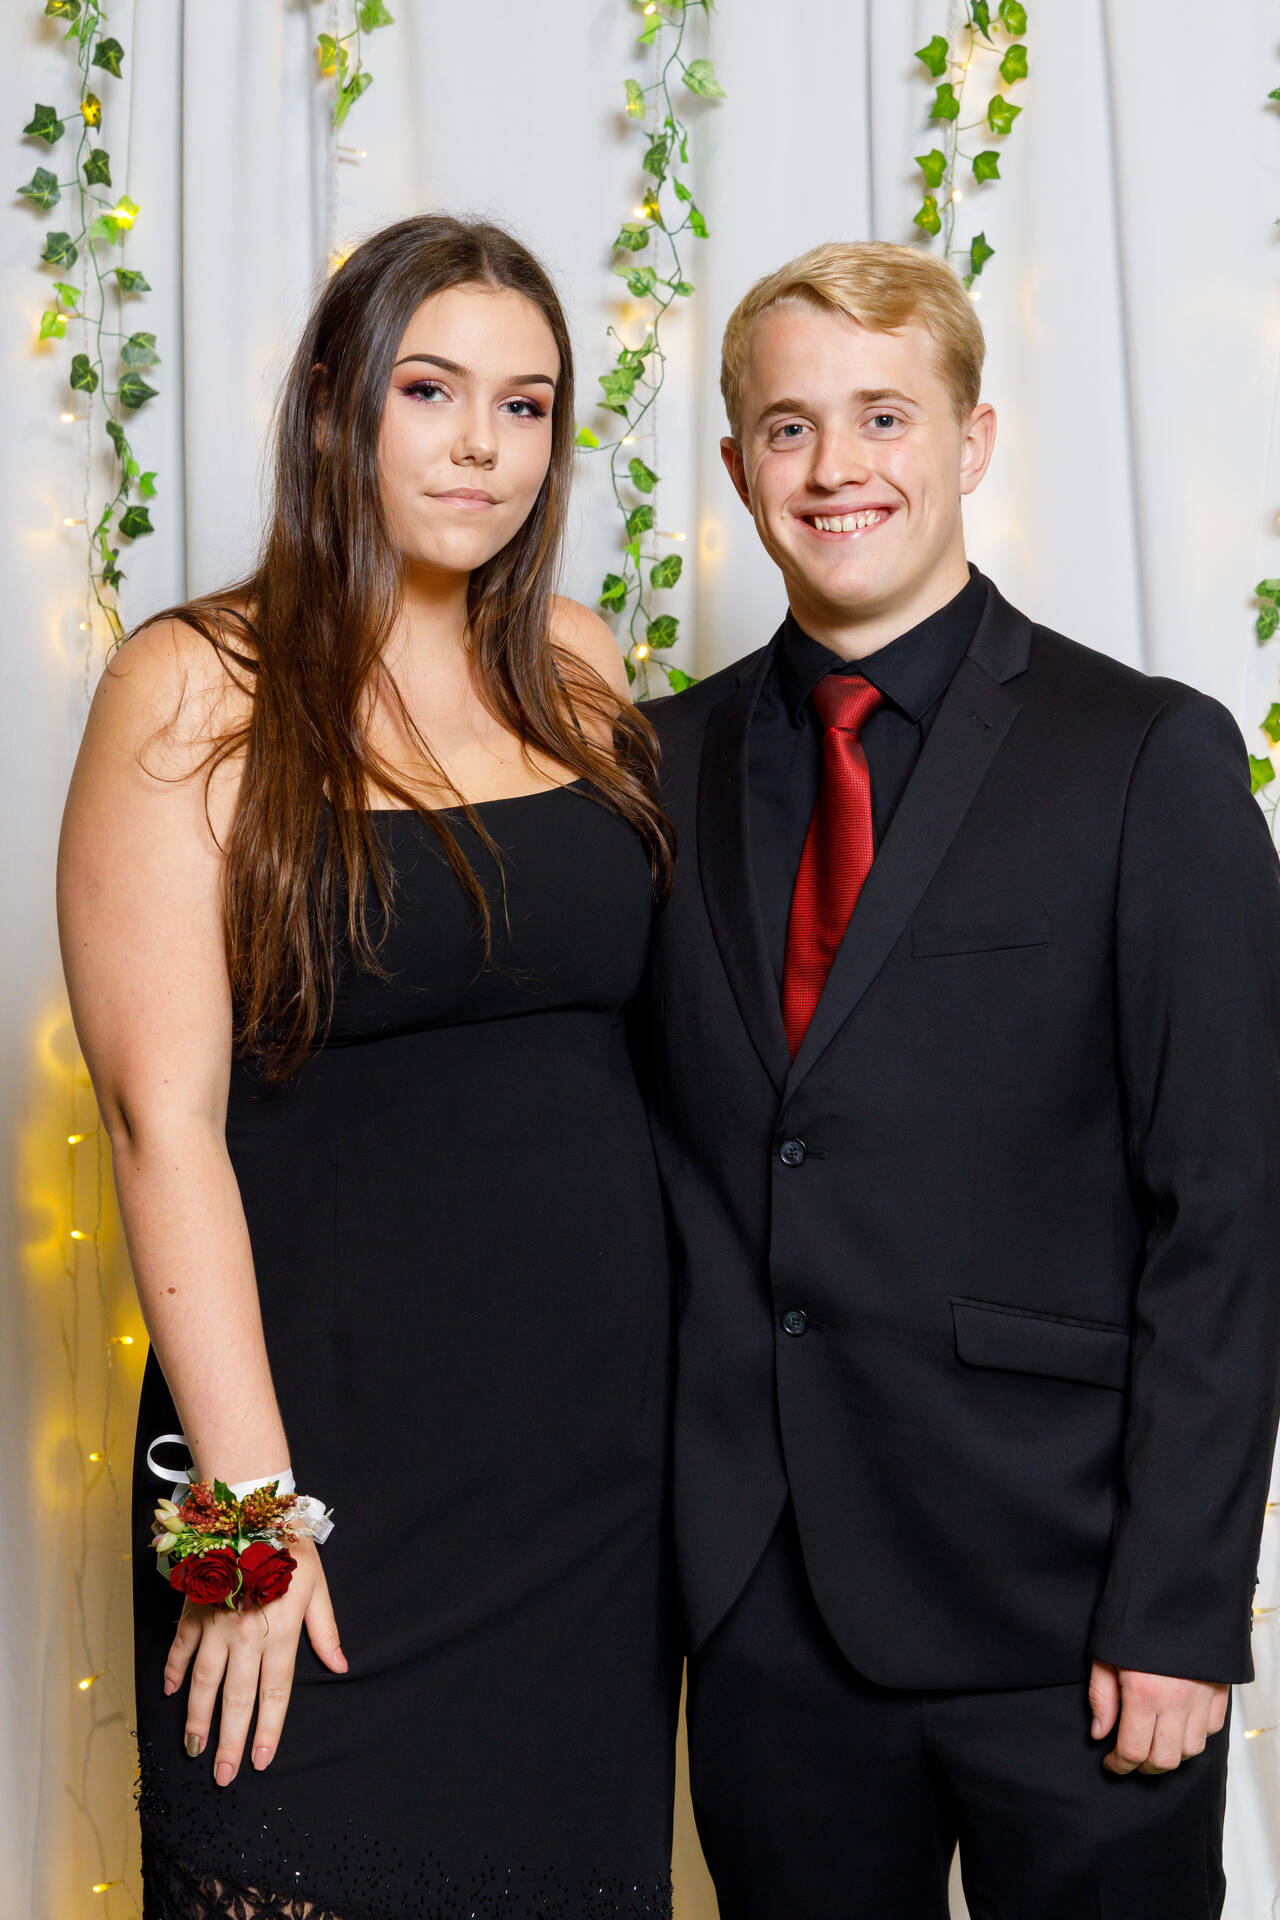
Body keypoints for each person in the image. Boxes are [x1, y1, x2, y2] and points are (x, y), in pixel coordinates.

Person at [641, 240, 1280, 1918]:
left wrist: (1180, 1606)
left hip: (1070, 1605)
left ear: (973, 440)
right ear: (738, 469)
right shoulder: (652, 768)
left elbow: (1228, 1209)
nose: (834, 468)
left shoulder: (1143, 756)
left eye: (883, 416)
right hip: (766, 1608)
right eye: (790, 427)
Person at [58, 213, 680, 1920]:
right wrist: (248, 1523)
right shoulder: (194, 684)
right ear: (338, 396)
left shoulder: (581, 669)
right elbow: (157, 1121)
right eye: (431, 389)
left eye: (527, 405)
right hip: (311, 1462)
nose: (484, 445)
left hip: (587, 1488)